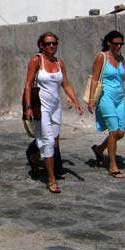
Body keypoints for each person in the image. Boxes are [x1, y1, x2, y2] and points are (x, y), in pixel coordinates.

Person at [23, 32, 83, 193]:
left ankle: (33, 155)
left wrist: (76, 101)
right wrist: (28, 107)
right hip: (41, 107)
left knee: (54, 140)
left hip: (56, 107)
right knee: (49, 142)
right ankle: (51, 179)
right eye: (48, 43)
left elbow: (66, 84)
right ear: (41, 45)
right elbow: (28, 84)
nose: (51, 46)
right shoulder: (36, 60)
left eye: (54, 43)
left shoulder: (59, 63)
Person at [87, 30, 125, 178]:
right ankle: (113, 165)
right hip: (105, 97)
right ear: (109, 43)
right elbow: (95, 79)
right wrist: (91, 100)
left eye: (121, 44)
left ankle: (99, 149)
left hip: (120, 99)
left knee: (121, 132)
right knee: (113, 131)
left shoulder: (120, 58)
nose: (119, 46)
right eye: (116, 44)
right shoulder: (101, 57)